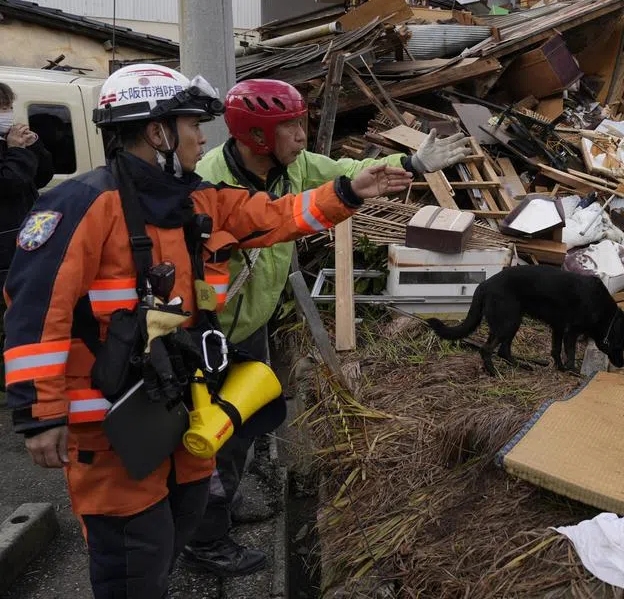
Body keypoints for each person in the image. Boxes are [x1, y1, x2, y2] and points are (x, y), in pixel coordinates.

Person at [2, 64, 412, 599]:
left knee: (178, 528)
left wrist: (351, 191)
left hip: (183, 411)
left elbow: (278, 215)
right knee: (133, 561)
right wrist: (40, 414)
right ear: (158, 132)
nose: (202, 137)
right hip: (112, 432)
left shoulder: (193, 202)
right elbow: (34, 313)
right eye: (193, 125)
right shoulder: (82, 206)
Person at [188, 78, 471, 575]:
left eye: (302, 122)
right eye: (290, 127)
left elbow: (346, 172)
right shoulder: (212, 184)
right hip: (211, 335)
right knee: (213, 437)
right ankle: (205, 539)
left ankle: (219, 508)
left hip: (254, 321)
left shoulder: (292, 167)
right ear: (256, 137)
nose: (302, 136)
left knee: (243, 427)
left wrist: (410, 164)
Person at [0, 82, 53, 391]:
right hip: (4, 250)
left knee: (24, 313)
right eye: (2, 108)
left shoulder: (9, 142)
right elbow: (9, 182)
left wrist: (34, 147)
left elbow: (40, 175)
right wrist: (17, 152)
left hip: (23, 243)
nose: (7, 114)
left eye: (8, 107)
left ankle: (24, 375)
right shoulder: (9, 148)